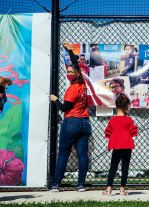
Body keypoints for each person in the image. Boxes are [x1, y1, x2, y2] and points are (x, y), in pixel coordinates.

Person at [49, 43, 92, 192]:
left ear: (75, 75)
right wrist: (70, 51)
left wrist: (55, 100)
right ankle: (80, 185)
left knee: (63, 153)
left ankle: (56, 184)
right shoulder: (82, 83)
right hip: (85, 123)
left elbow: (65, 108)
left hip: (72, 122)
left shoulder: (73, 89)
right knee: (82, 155)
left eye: (69, 71)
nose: (68, 72)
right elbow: (76, 65)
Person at [102, 93, 138, 196]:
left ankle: (108, 189)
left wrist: (112, 139)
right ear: (127, 106)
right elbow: (134, 132)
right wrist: (131, 137)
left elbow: (108, 133)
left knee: (113, 167)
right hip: (127, 146)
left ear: (116, 106)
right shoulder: (128, 120)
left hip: (116, 147)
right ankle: (122, 189)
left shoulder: (112, 120)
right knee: (125, 167)